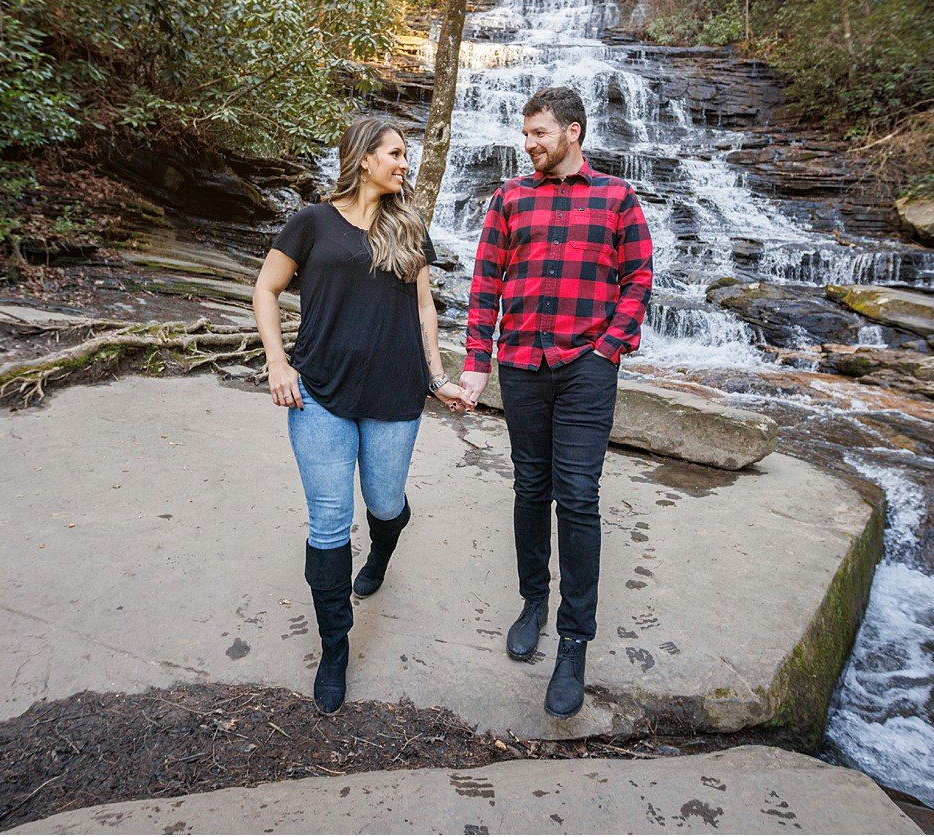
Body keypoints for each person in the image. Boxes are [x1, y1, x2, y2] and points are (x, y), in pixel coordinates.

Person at [252, 117, 468, 716]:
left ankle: (380, 552)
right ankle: (335, 648)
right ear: (364, 157)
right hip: (319, 390)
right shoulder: (311, 222)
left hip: (396, 393)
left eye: (406, 154)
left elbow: (425, 309)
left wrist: (439, 377)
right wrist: (277, 362)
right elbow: (265, 290)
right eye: (397, 153)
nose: (405, 163)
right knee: (327, 520)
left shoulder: (409, 228)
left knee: (384, 502)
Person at [458, 85, 653, 720]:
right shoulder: (510, 198)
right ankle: (533, 602)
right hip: (520, 365)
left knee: (579, 496)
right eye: (526, 133)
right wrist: (476, 364)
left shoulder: (618, 197)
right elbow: (485, 281)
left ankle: (574, 641)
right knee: (529, 487)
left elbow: (640, 279)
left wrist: (608, 350)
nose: (528, 143)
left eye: (539, 133)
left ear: (573, 132)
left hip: (586, 370)